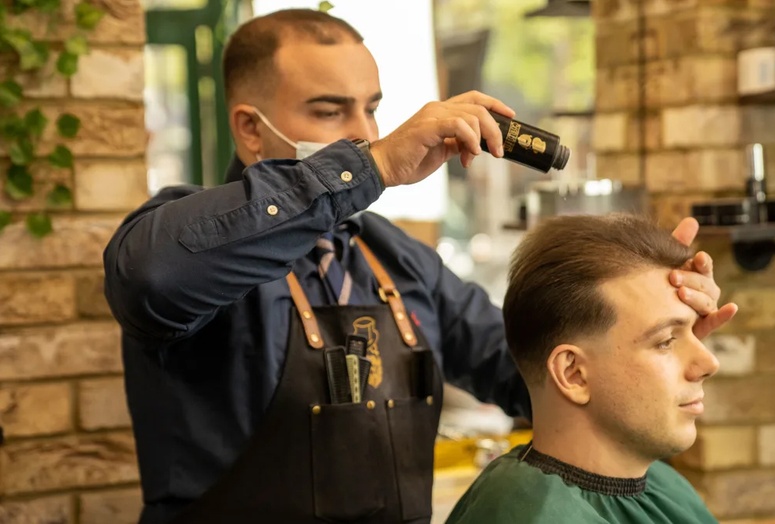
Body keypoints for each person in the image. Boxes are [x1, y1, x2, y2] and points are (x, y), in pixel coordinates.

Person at [102, 8, 737, 524]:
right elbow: (152, 278)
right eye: (330, 111)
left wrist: (655, 326)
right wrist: (371, 165)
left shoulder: (396, 259)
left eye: (371, 108)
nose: (361, 129)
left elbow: (537, 373)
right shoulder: (192, 240)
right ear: (249, 128)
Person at [446, 213, 727, 524]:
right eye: (665, 342)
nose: (708, 363)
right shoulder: (529, 513)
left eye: (693, 332)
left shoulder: (662, 485)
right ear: (573, 374)